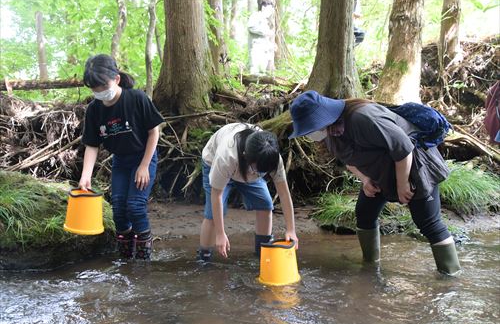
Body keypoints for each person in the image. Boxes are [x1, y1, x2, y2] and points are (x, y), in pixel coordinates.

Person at [288, 90, 461, 276]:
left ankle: (450, 276)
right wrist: (365, 180)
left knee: (428, 223)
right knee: (364, 213)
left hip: (414, 166)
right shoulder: (330, 133)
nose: (311, 134)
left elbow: (404, 149)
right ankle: (371, 265)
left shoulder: (363, 117)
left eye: (311, 128)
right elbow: (347, 160)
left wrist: (403, 184)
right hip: (380, 173)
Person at [80, 54, 164, 260]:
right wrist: (86, 176)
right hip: (120, 161)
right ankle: (126, 260)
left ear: (116, 79)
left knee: (135, 206)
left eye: (102, 87)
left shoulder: (136, 98)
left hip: (143, 157)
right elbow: (92, 144)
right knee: (118, 208)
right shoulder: (94, 109)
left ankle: (143, 262)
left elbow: (154, 132)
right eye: (94, 89)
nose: (99, 93)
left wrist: (144, 165)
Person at [198, 123, 298, 262]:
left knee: (265, 205)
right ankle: (204, 258)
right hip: (214, 162)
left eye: (264, 171)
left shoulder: (271, 157)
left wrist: (291, 230)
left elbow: (284, 193)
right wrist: (220, 234)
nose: (259, 173)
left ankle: (262, 253)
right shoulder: (226, 157)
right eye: (258, 170)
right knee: (212, 216)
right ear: (246, 157)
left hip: (250, 169)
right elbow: (217, 196)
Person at [248, 0, 275, 75]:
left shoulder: (265, 21)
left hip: (264, 51)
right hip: (256, 49)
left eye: (271, 11)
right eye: (269, 10)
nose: (270, 13)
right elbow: (251, 27)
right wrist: (265, 32)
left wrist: (271, 46)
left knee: (262, 71)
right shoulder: (256, 16)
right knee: (255, 71)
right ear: (263, 8)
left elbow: (264, 38)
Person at [484, 80, 499, 144]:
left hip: (492, 121)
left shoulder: (496, 86)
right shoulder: (497, 87)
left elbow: (488, 103)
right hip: (495, 121)